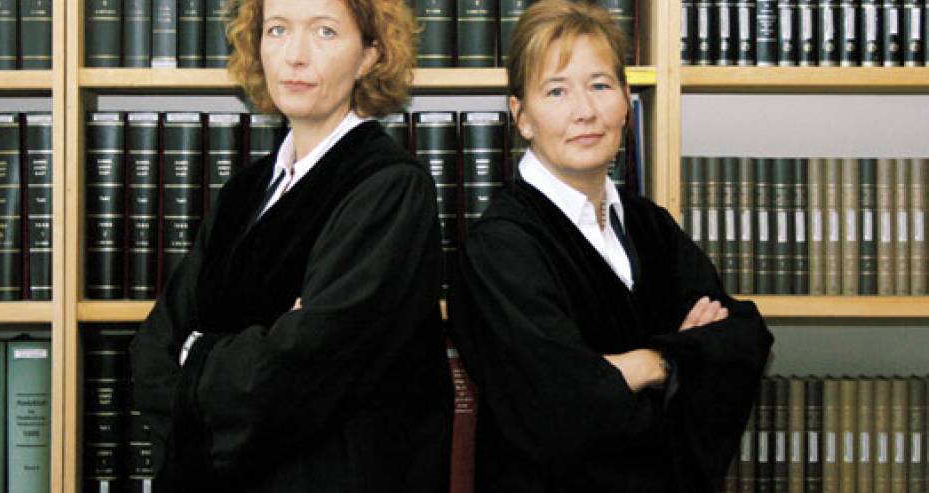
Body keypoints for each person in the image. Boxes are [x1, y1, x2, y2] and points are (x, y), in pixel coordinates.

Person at [449, 1, 774, 491]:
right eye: (556, 90)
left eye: (600, 85)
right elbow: (557, 408)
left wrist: (644, 367)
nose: (585, 111)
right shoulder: (499, 247)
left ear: (625, 100)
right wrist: (679, 360)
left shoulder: (649, 226)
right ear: (522, 116)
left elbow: (742, 341)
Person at [128, 0, 451, 491]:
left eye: (324, 32)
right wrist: (257, 344)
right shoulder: (243, 193)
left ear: (369, 55)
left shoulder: (391, 189)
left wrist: (197, 351)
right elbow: (152, 353)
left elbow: (304, 371)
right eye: (277, 30)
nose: (295, 56)